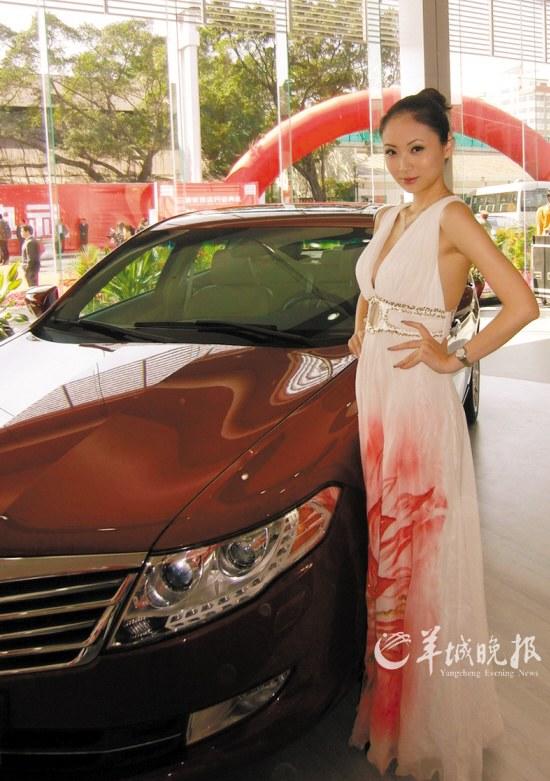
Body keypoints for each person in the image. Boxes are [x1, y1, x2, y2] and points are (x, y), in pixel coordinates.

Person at [347, 88, 539, 780]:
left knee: (415, 556)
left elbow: (523, 303)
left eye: (418, 149)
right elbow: (372, 290)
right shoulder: (390, 214)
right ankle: (392, 709)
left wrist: (457, 355)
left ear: (447, 148)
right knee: (386, 552)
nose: (403, 163)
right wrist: (362, 329)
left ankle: (422, 720)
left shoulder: (452, 216)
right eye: (392, 151)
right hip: (377, 391)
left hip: (418, 398)